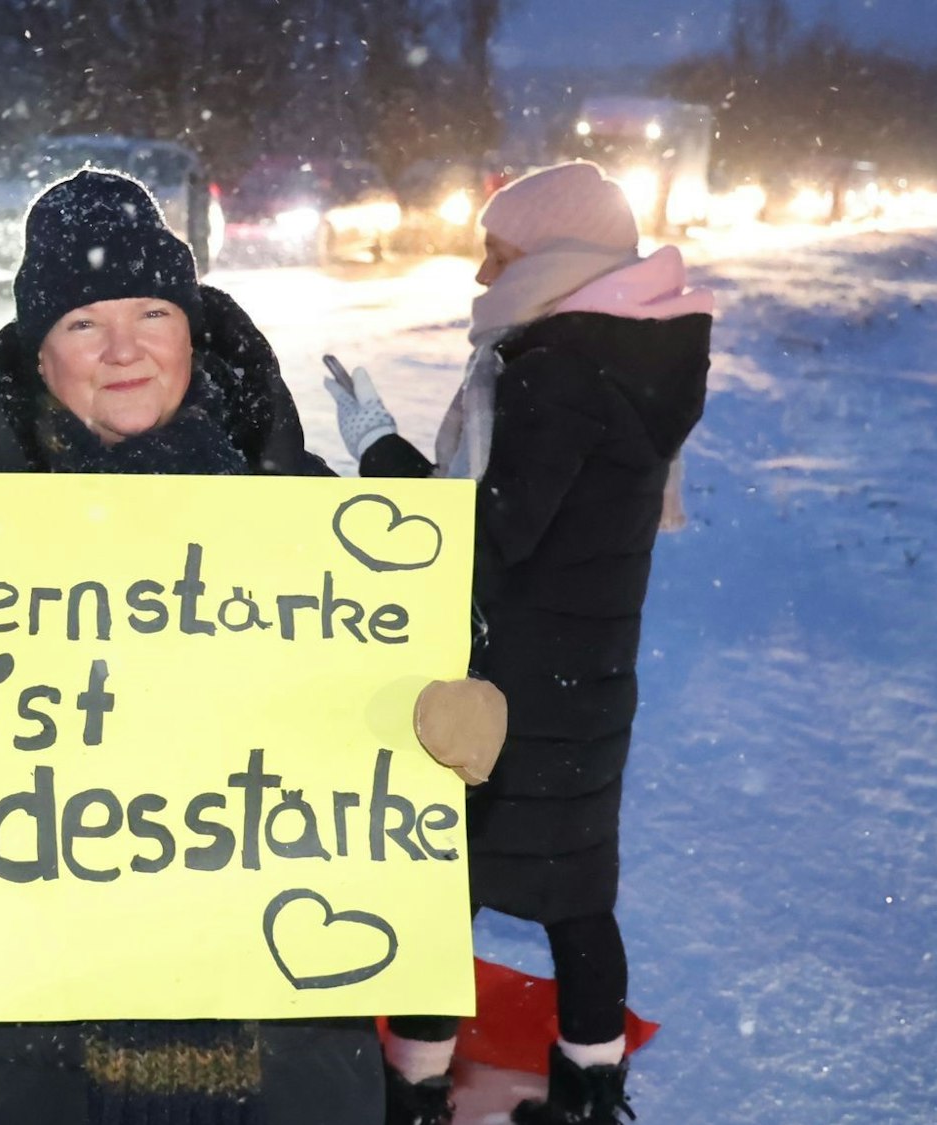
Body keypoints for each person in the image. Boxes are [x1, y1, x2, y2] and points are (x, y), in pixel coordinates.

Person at [0, 168, 507, 1125]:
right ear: (38, 352)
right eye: (81, 324)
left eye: (151, 312)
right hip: (33, 1060)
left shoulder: (324, 527)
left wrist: (458, 734)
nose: (123, 351)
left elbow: (406, 818)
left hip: (278, 1059)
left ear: (192, 326)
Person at [324, 161, 712, 1125]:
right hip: (587, 678)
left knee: (441, 886)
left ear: (552, 256)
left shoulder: (558, 371)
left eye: (494, 255)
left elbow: (489, 536)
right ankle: (589, 1091)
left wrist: (378, 454)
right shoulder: (633, 354)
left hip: (511, 689)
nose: (478, 275)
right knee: (578, 897)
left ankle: (412, 1090)